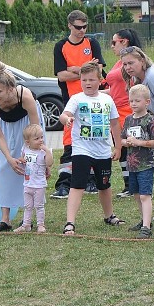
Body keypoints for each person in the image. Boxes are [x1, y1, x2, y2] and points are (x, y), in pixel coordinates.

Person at [59, 63, 123, 236]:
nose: (87, 83)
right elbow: (65, 114)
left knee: (104, 185)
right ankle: (70, 222)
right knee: (77, 184)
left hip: (102, 151)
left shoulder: (107, 100)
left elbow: (115, 123)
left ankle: (109, 216)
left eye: (91, 80)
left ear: (100, 81)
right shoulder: (77, 99)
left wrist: (118, 146)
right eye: (84, 80)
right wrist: (66, 119)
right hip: (82, 150)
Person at [117, 46, 154, 223]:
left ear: (142, 61)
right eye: (125, 64)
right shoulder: (141, 79)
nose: (128, 67)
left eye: (131, 62)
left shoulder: (152, 76)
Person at [0, 62, 44, 232]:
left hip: (29, 125)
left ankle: (28, 218)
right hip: (7, 127)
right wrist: (9, 158)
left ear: (10, 89)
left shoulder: (25, 96)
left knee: (30, 165)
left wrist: (34, 153)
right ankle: (5, 219)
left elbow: (36, 129)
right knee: (4, 167)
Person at [51, 10, 106, 199]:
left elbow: (97, 70)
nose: (82, 31)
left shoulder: (93, 44)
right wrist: (85, 68)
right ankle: (64, 183)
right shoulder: (61, 46)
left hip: (93, 100)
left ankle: (91, 181)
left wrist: (75, 69)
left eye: (84, 27)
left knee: (91, 139)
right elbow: (61, 75)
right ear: (69, 26)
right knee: (70, 141)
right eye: (77, 27)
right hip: (71, 101)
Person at [120, 84, 154, 239]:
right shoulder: (129, 120)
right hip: (132, 164)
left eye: (137, 101)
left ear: (147, 102)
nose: (134, 104)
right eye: (131, 101)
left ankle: (146, 228)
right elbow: (122, 139)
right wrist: (127, 143)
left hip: (146, 164)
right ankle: (145, 220)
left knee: (145, 195)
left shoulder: (150, 120)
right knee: (136, 194)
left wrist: (139, 143)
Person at [107, 28, 143, 198]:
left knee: (127, 147)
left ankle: (132, 184)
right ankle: (129, 184)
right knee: (121, 147)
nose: (112, 46)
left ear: (124, 42)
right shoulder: (118, 63)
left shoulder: (130, 64)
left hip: (126, 109)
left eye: (114, 42)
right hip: (116, 109)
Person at [15, 123, 53, 233]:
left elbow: (49, 163)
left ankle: (40, 225)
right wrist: (20, 160)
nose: (41, 140)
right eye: (37, 139)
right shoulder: (25, 149)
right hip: (27, 183)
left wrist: (47, 151)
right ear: (28, 142)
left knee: (39, 206)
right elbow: (22, 159)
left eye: (41, 137)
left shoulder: (43, 152)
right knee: (27, 206)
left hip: (39, 184)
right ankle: (26, 224)